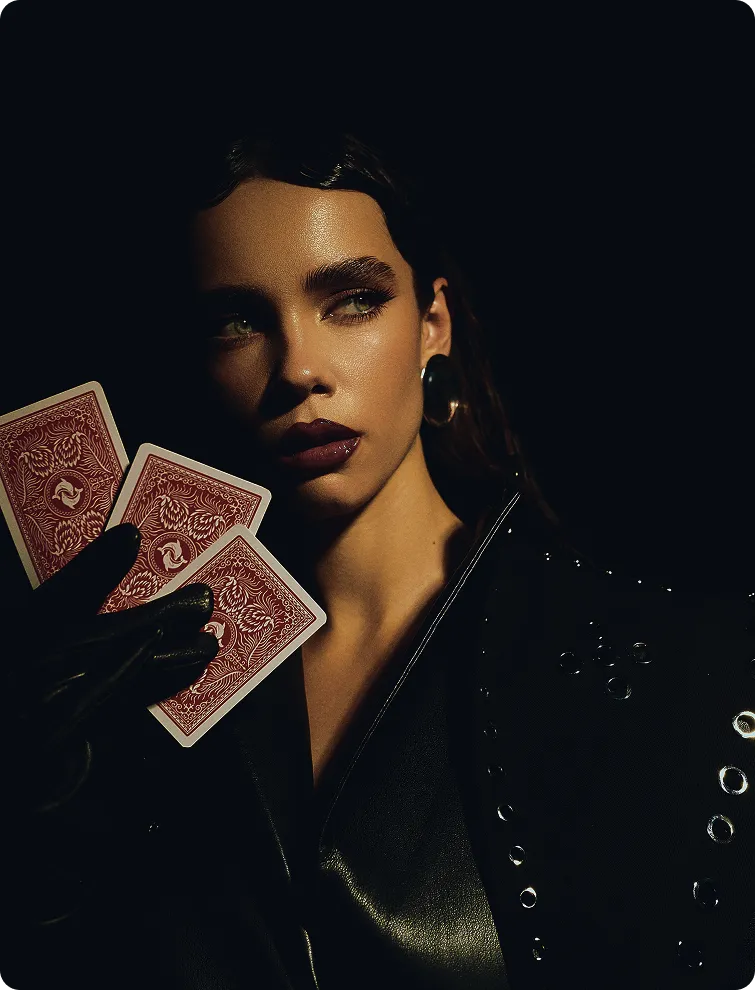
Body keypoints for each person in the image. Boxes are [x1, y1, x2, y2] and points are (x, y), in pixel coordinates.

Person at [4, 125, 754, 989]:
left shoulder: (669, 663)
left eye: (351, 299)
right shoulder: (132, 684)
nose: (299, 369)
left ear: (431, 324)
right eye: (236, 320)